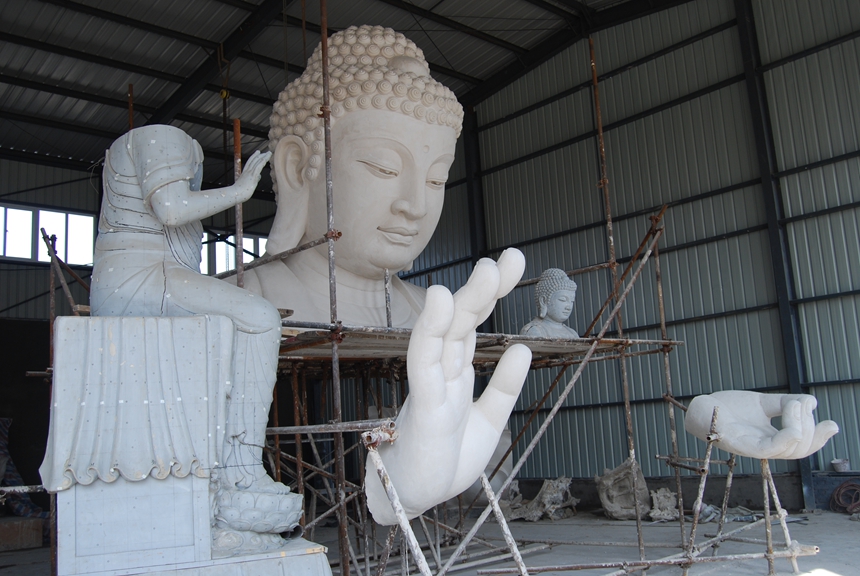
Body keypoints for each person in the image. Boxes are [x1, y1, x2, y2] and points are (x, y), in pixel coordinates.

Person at [90, 125, 289, 499]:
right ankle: (241, 466)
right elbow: (172, 208)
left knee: (231, 327)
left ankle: (227, 460)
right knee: (261, 320)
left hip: (147, 274)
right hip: (146, 274)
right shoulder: (162, 136)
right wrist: (241, 190)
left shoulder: (141, 146)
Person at [238, 25, 463, 328]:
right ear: (296, 170)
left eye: (436, 179)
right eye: (385, 168)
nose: (416, 206)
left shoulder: (434, 313)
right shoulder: (243, 300)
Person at [520, 268, 580, 338]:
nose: (568, 307)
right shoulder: (533, 331)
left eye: (572, 301)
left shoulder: (572, 333)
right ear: (543, 301)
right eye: (562, 300)